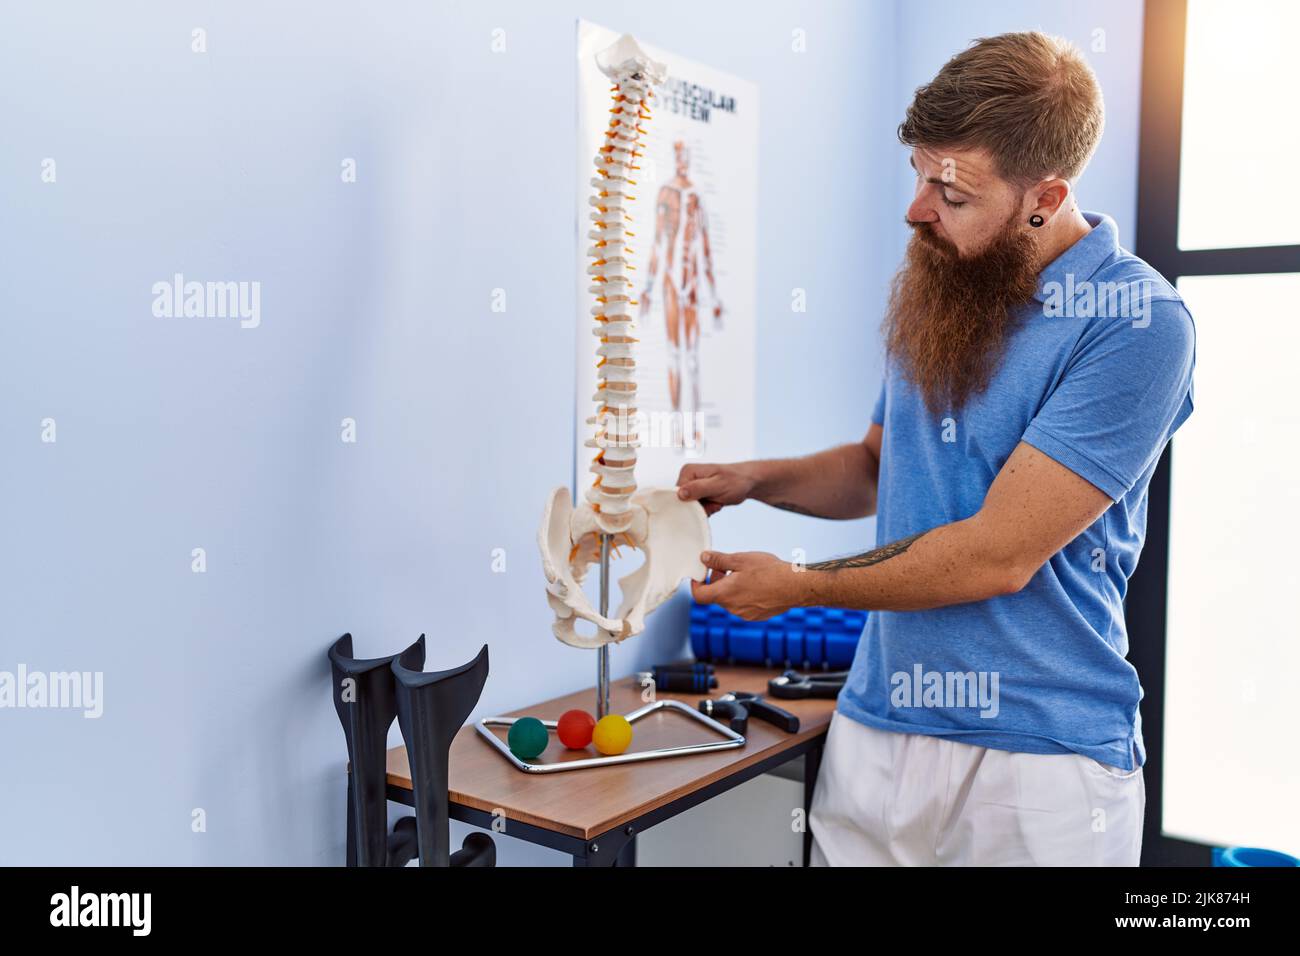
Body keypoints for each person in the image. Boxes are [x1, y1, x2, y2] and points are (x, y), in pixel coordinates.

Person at [677, 31, 1196, 866]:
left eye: (950, 192)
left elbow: (999, 554)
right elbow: (877, 468)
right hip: (877, 729)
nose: (917, 209)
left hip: (1036, 761)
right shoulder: (944, 281)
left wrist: (799, 587)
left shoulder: (1136, 324)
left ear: (1045, 197)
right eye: (919, 174)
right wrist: (752, 479)